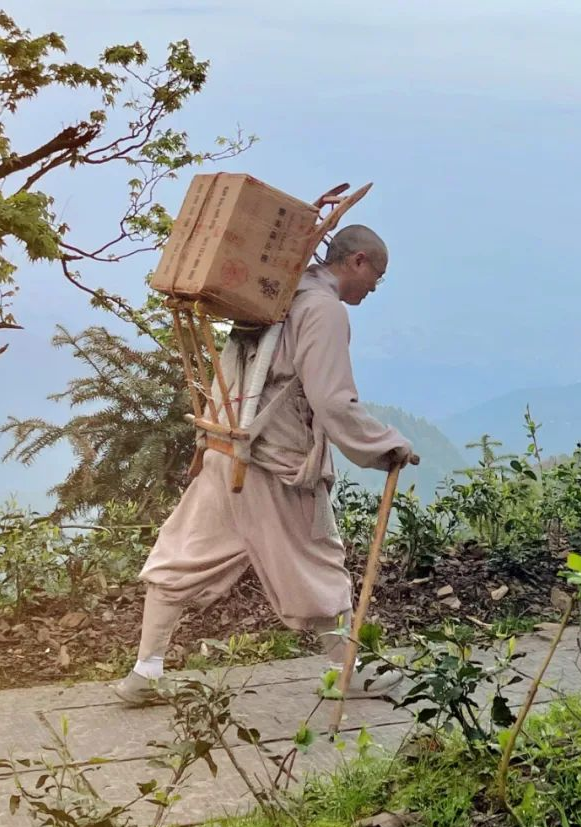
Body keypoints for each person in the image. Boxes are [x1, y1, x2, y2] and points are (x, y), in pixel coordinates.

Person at [113, 224, 416, 706]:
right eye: (376, 276)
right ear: (356, 260)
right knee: (317, 558)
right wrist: (387, 446)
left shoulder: (276, 292)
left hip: (226, 448)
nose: (374, 287)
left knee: (183, 554)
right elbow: (332, 399)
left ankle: (145, 670)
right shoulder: (322, 309)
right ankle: (348, 672)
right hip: (275, 461)